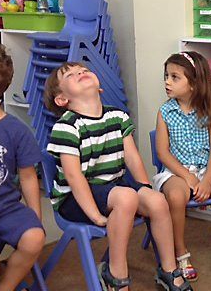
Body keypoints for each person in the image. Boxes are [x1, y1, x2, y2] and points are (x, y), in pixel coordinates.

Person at [43, 62, 192, 291]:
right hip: (75, 198)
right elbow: (74, 178)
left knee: (157, 200)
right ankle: (116, 274)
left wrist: (144, 187)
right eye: (72, 75)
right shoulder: (67, 127)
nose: (81, 73)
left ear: (99, 87)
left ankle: (169, 269)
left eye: (83, 70)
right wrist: (94, 215)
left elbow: (132, 157)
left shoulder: (117, 116)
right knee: (126, 197)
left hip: (114, 187)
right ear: (62, 99)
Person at [153, 51, 211, 279]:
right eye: (167, 76)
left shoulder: (209, 111)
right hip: (176, 170)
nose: (167, 82)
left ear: (194, 83)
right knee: (175, 198)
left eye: (175, 77)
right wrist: (188, 177)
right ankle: (180, 253)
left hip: (207, 169)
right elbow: (163, 152)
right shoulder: (165, 113)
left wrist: (207, 180)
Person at [0, 44, 45, 291]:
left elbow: (27, 177)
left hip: (6, 206)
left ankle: (2, 288)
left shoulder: (16, 131)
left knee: (35, 237)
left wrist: (35, 214)